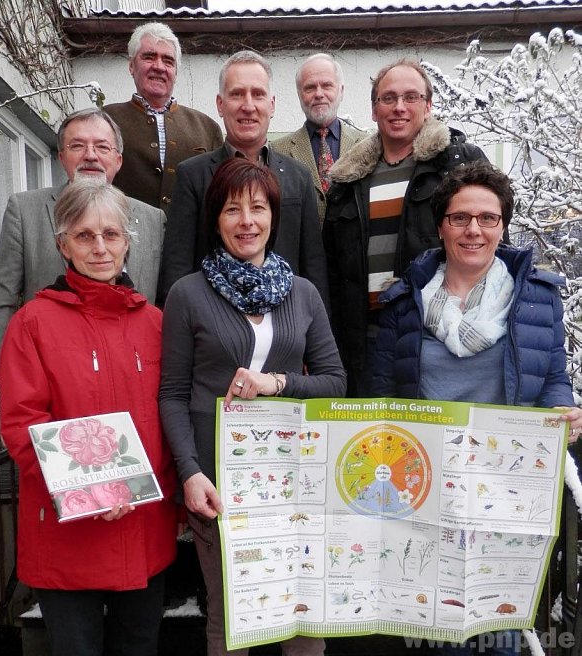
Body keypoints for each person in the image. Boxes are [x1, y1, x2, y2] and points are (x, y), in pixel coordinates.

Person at [372, 160, 582, 655]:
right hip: (424, 489)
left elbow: (551, 379)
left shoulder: (535, 299)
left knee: (500, 625)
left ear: (502, 226)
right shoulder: (405, 302)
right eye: (461, 217)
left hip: (504, 488)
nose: (474, 230)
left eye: (488, 218)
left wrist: (564, 414)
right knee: (430, 627)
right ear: (441, 225)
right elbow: (383, 394)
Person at [159, 158, 346, 656]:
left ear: (273, 217)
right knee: (230, 617)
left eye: (258, 208)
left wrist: (278, 383)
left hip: (291, 475)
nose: (247, 221)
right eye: (232, 209)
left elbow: (335, 382)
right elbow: (173, 394)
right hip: (217, 482)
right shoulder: (187, 294)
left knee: (304, 615)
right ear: (215, 220)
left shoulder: (302, 294)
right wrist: (189, 473)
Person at [0, 179, 178, 656]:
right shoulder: (32, 323)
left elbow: (171, 416)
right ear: (63, 245)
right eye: (84, 236)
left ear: (127, 241)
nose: (100, 248)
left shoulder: (156, 323)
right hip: (68, 532)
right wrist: (85, 490)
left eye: (111, 235)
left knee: (138, 647)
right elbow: (22, 424)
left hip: (143, 526)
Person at [0, 107, 166, 421]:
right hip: (53, 388)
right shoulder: (26, 209)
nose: (90, 155)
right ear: (62, 157)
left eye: (102, 147)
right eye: (77, 146)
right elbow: (0, 295)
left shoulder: (153, 219)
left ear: (118, 160)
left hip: (131, 386)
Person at [323, 58, 488, 396]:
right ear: (373, 110)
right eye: (388, 98)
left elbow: (493, 248)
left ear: (427, 107)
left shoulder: (457, 166)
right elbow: (331, 270)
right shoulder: (347, 181)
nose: (399, 107)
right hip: (364, 344)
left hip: (436, 340)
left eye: (411, 97)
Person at [157, 50, 328, 306]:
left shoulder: (298, 176)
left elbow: (313, 266)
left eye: (257, 94)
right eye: (237, 94)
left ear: (271, 105)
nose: (248, 105)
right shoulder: (192, 175)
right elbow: (177, 267)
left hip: (286, 329)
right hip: (215, 328)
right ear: (220, 104)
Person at [104, 22, 223, 215]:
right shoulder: (106, 120)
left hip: (189, 242)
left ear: (176, 72)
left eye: (168, 60)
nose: (159, 66)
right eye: (149, 57)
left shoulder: (207, 128)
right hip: (124, 238)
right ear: (131, 66)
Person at [272, 53, 365, 225]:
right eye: (310, 88)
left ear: (341, 91)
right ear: (300, 95)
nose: (319, 94)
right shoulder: (276, 152)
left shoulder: (365, 146)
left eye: (327, 85)